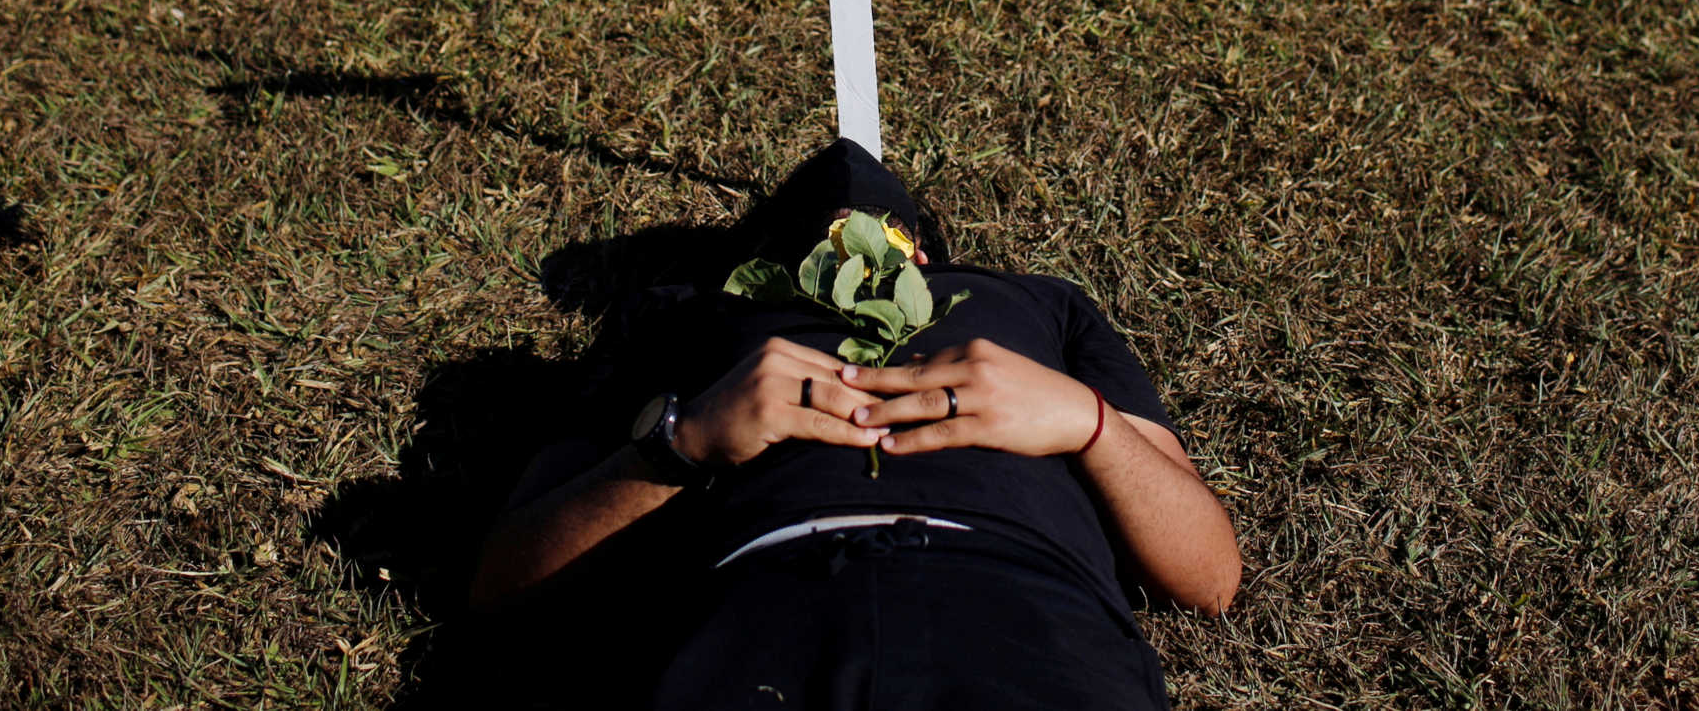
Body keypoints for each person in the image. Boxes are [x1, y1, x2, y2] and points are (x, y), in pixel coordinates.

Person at [473, 139, 1240, 709]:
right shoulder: (686, 316)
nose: (846, 209)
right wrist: (685, 442)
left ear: (930, 256)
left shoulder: (1037, 302)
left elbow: (1207, 577)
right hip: (755, 603)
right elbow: (506, 581)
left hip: (1021, 605)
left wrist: (1087, 420)